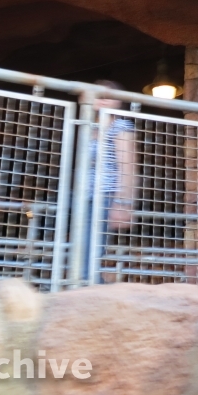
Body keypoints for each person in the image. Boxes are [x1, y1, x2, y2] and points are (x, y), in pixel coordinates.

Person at [84, 80, 137, 283]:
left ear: (118, 101)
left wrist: (123, 202)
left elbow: (128, 166)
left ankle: (90, 292)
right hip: (86, 196)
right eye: (99, 95)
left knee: (89, 255)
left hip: (106, 196)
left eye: (108, 96)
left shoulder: (120, 126)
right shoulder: (90, 127)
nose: (103, 99)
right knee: (82, 252)